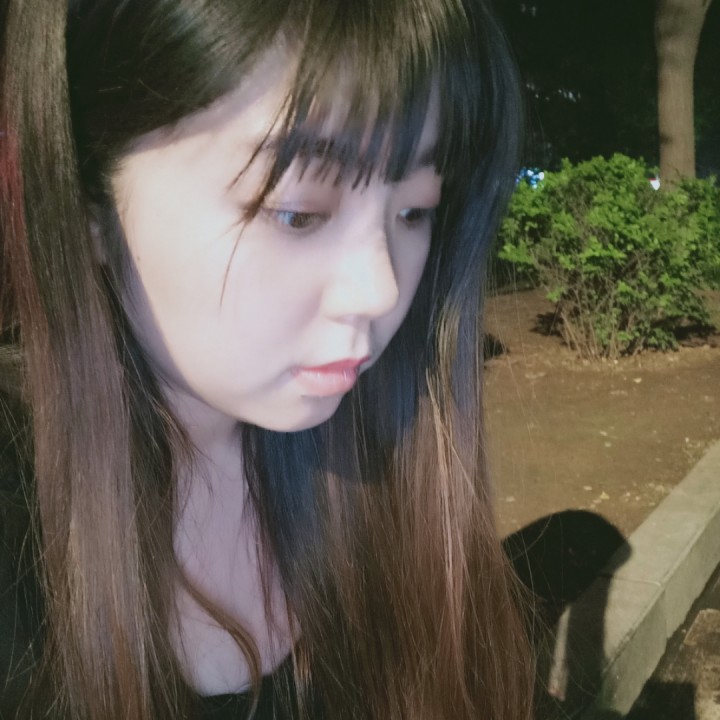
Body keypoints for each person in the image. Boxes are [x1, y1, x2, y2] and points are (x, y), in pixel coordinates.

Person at [0, 0, 534, 718]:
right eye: (297, 212)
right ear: (89, 200)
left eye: (414, 210)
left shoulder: (378, 463)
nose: (380, 290)